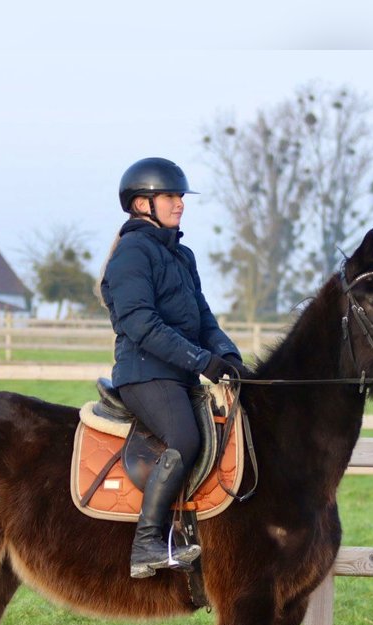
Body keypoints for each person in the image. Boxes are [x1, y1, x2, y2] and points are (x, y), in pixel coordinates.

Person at [99, 157, 250, 579]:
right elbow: (141, 324)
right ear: (141, 204)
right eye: (170, 196)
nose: (179, 203)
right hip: (145, 373)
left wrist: (229, 355)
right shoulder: (132, 253)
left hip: (178, 375)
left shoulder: (182, 256)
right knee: (184, 437)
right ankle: (147, 542)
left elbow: (203, 319)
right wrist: (203, 361)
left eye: (180, 196)